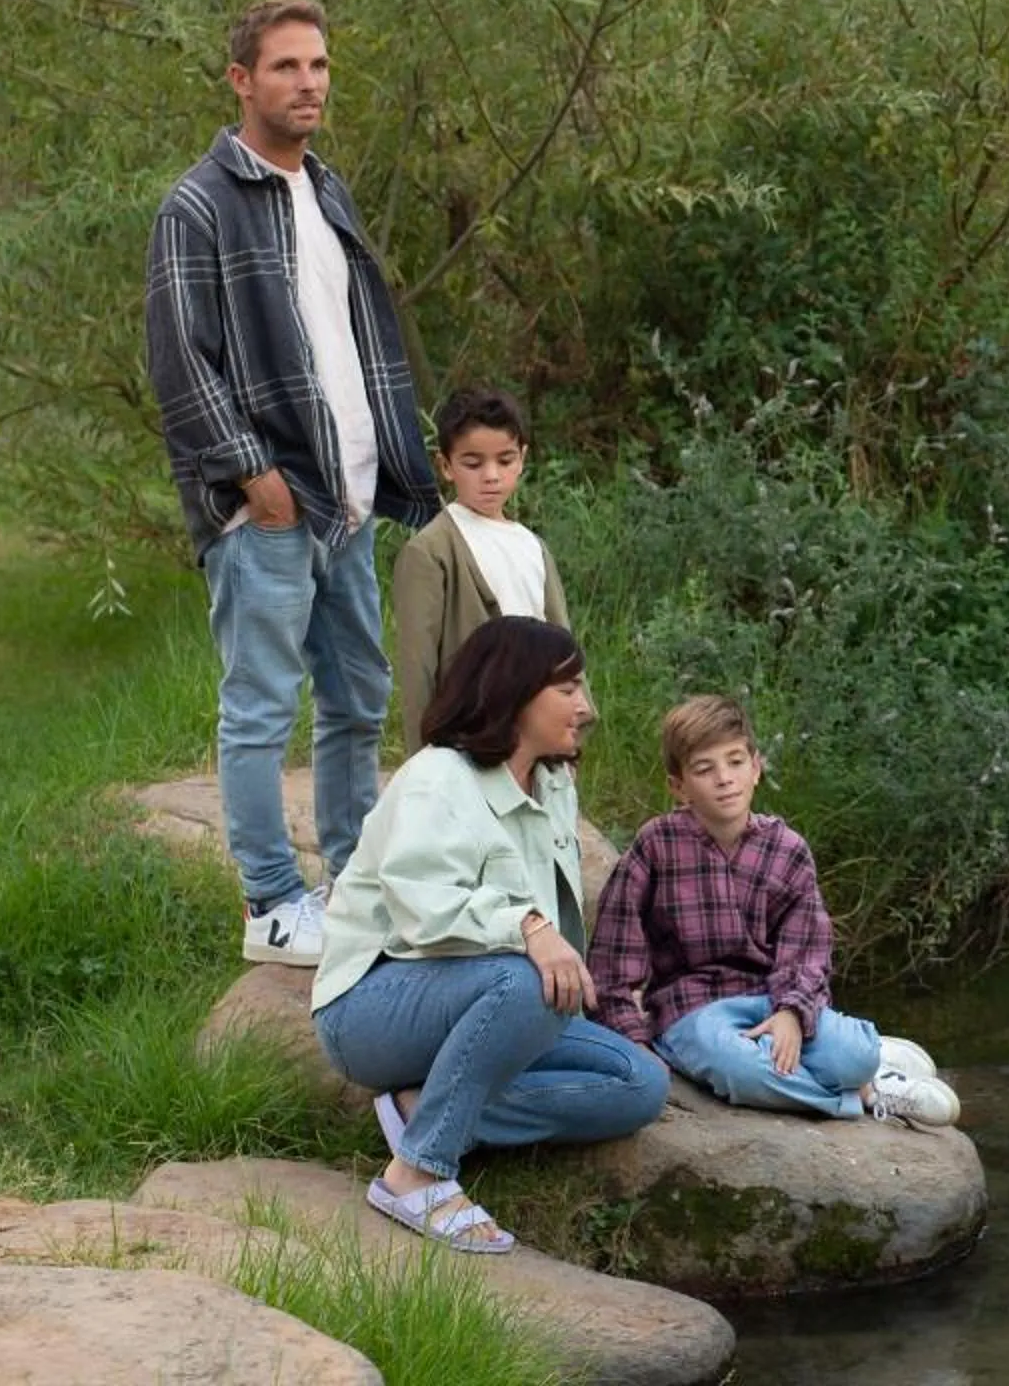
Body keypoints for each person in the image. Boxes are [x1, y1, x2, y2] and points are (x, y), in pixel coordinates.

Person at [145, 0, 437, 967]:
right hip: (269, 505)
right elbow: (181, 364)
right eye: (285, 67)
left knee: (358, 693)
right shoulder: (198, 204)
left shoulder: (327, 189)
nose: (307, 82)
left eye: (318, 65)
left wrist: (379, 470)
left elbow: (355, 343)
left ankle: (352, 882)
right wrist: (252, 476)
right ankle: (271, 902)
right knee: (262, 706)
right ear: (241, 80)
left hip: (348, 500)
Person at [312, 616, 669, 1253]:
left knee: (640, 1084)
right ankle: (417, 1173)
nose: (585, 708)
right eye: (568, 689)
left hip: (488, 998)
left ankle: (424, 1106)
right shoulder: (437, 779)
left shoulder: (553, 783)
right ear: (515, 689)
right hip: (370, 1009)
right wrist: (529, 927)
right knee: (531, 980)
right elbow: (424, 911)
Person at [588, 695, 959, 1127]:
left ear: (756, 768)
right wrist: (635, 1044)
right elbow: (611, 965)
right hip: (692, 1010)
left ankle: (869, 1059)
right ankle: (868, 1093)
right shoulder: (656, 846)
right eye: (705, 769)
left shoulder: (787, 849)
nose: (724, 779)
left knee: (854, 1056)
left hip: (768, 995)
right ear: (678, 786)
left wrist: (791, 1011)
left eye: (735, 762)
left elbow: (807, 949)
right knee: (740, 1069)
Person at [392, 385, 571, 752]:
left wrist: (572, 733)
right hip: (471, 736)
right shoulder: (430, 550)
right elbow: (417, 668)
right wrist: (422, 761)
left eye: (504, 461)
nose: (490, 476)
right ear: (445, 465)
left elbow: (564, 647)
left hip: (537, 732)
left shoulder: (533, 547)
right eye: (473, 464)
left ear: (522, 458)